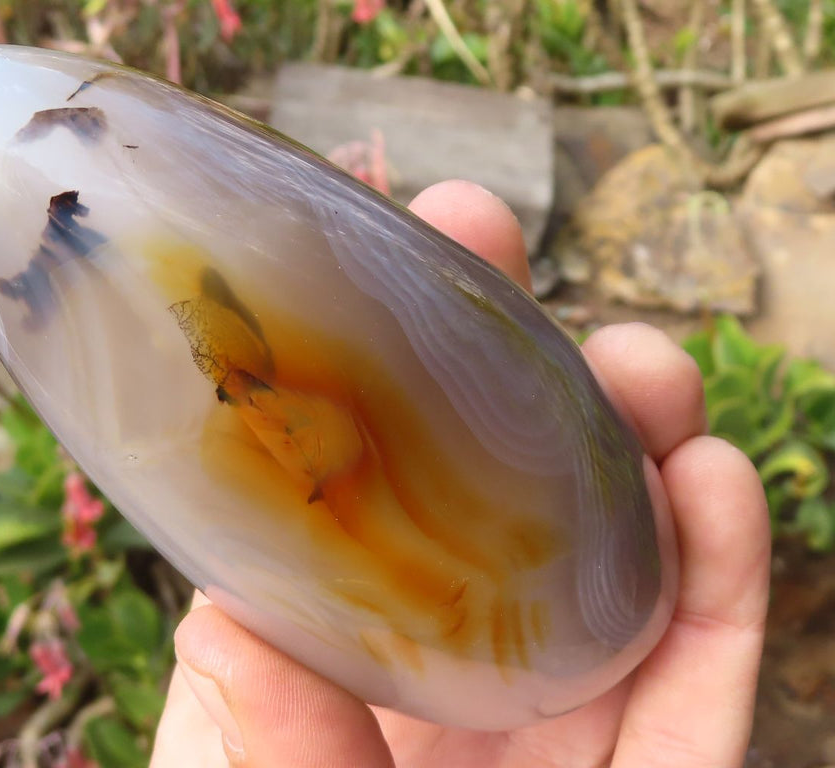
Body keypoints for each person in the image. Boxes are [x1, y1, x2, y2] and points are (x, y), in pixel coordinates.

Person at [149, 180, 770, 768]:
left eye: (264, 389)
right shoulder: (345, 564)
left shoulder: (510, 537)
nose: (268, 420)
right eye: (242, 403)